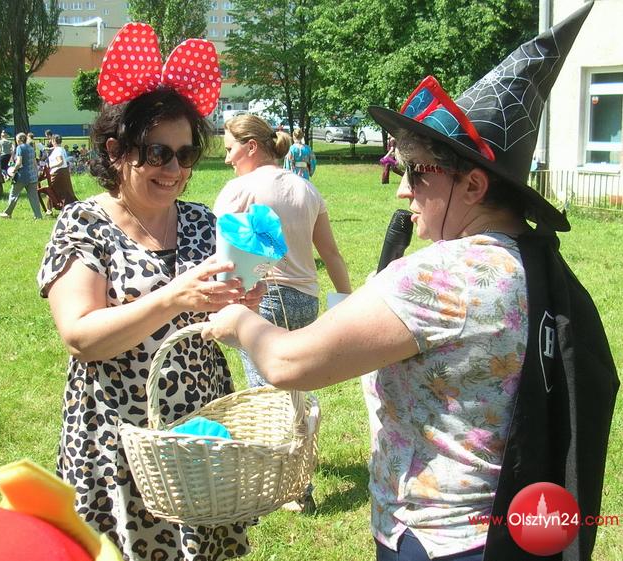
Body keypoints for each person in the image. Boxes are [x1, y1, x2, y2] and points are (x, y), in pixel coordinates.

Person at [203, 5, 617, 561]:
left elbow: (288, 363)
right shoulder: (537, 260)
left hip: (435, 536)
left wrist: (237, 320)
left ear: (473, 186)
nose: (403, 189)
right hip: (508, 527)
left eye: (418, 172)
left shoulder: (441, 276)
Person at [37, 22, 259, 561]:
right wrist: (172, 298)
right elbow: (80, 337)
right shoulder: (84, 224)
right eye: (158, 153)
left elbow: (217, 328)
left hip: (200, 436)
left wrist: (240, 309)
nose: (175, 169)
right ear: (116, 150)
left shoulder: (203, 223)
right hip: (119, 441)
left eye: (186, 154)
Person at [215, 113, 351, 390]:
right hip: (307, 303)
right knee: (296, 387)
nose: (227, 159)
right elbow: (331, 254)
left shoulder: (238, 189)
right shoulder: (307, 189)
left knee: (266, 394)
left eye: (230, 149)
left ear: (251, 147)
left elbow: (218, 253)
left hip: (264, 302)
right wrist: (346, 307)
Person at [0, 133, 43, 219]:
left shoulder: (20, 148)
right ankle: (38, 216)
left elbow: (19, 162)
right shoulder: (31, 148)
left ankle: (7, 213)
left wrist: (13, 171)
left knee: (13, 194)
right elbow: (34, 163)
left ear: (20, 140)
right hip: (32, 176)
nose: (16, 141)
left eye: (17, 139)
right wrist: (36, 174)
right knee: (34, 197)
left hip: (22, 176)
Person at [46, 134, 78, 208]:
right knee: (66, 191)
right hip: (64, 172)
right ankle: (71, 206)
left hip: (57, 173)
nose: (50, 141)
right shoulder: (61, 149)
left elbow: (60, 162)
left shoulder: (57, 150)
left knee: (50, 190)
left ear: (54, 141)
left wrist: (51, 166)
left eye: (52, 140)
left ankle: (49, 209)